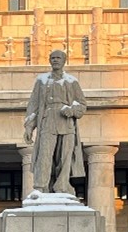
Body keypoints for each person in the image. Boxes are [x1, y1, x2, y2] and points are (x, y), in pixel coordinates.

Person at [24, 49, 87, 194]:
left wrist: (72, 110)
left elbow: (82, 104)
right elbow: (34, 105)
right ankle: (41, 186)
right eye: (53, 58)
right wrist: (29, 126)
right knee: (44, 155)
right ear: (49, 60)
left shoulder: (71, 81)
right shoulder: (41, 81)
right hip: (48, 121)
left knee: (65, 157)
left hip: (66, 123)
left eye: (58, 58)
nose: (55, 60)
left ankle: (62, 186)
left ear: (64, 61)